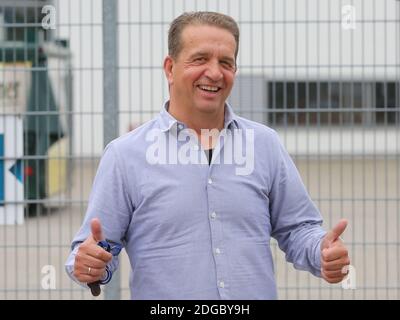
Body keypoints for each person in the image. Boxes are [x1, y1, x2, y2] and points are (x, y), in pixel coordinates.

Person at [65, 11, 350, 299]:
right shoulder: (125, 156)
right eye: (200, 59)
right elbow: (94, 250)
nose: (214, 73)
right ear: (169, 68)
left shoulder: (264, 145)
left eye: (226, 62)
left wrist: (320, 251)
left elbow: (298, 228)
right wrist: (89, 263)